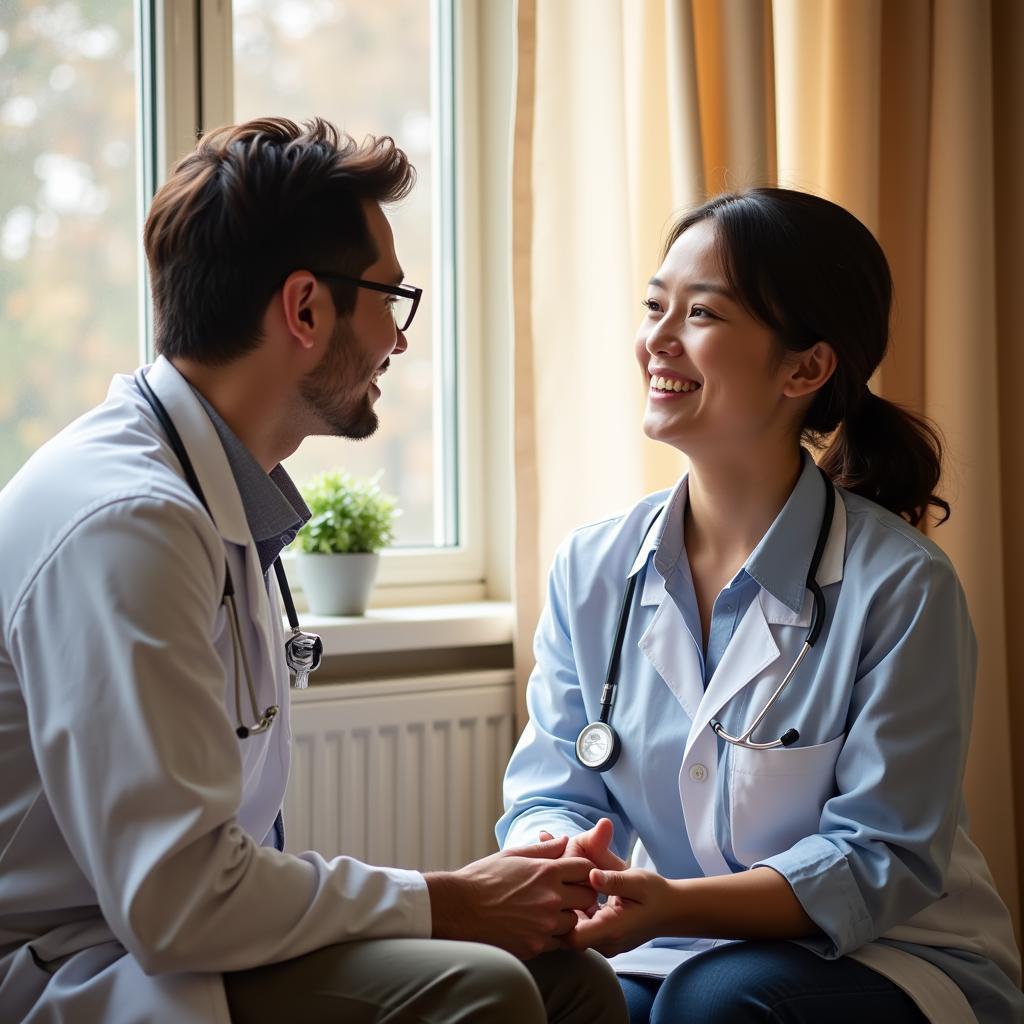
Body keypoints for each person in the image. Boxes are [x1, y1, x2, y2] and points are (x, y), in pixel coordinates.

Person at [0, 117, 626, 1024]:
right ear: (304, 309)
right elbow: (178, 903)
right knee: (480, 988)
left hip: (146, 938)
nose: (398, 341)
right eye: (391, 300)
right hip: (66, 964)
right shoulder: (130, 523)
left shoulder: (207, 489)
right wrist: (451, 898)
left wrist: (461, 899)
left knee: (571, 983)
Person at [497, 188, 1024, 1024]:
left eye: (700, 313)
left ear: (805, 368)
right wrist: (560, 860)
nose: (657, 340)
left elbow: (878, 857)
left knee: (716, 1005)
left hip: (895, 954)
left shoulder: (900, 586)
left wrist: (672, 904)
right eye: (653, 305)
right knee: (533, 991)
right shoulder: (594, 568)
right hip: (671, 943)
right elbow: (551, 790)